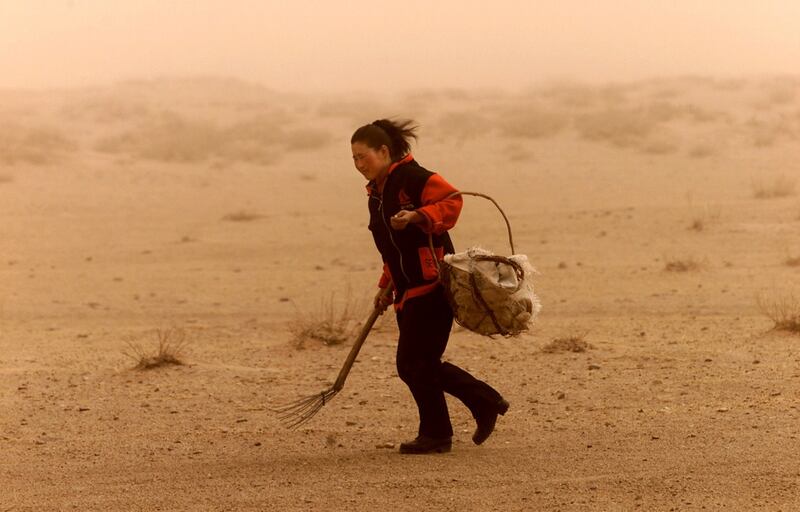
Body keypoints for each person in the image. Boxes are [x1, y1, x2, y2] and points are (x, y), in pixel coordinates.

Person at [350, 118, 509, 454]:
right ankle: (456, 420)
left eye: (364, 156)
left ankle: (467, 411)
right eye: (354, 159)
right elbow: (393, 250)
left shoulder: (413, 178)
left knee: (413, 364)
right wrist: (385, 286)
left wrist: (418, 216)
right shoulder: (376, 195)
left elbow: (452, 202)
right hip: (406, 288)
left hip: (433, 284)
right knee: (418, 364)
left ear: (384, 151)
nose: (359, 165)